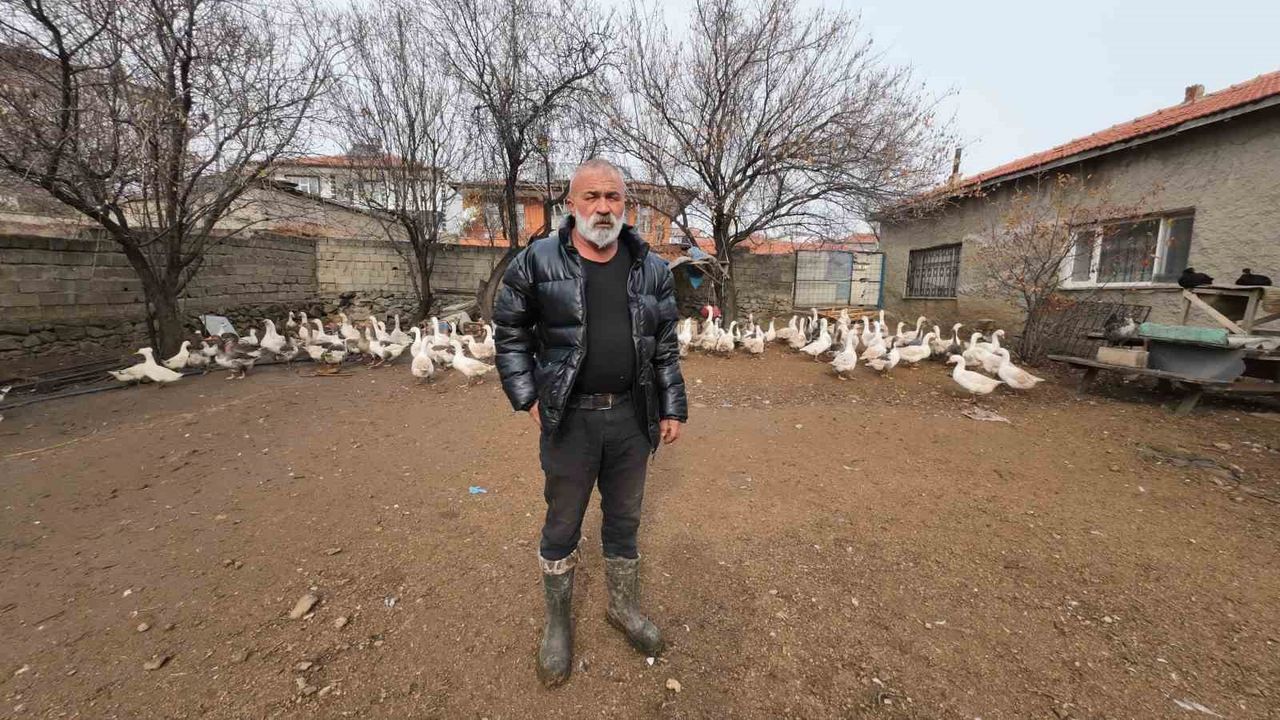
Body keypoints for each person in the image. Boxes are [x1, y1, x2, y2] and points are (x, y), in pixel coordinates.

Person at [493, 158, 688, 687]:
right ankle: (558, 625)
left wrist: (672, 405)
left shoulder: (650, 268)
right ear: (571, 204)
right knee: (563, 523)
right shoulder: (536, 261)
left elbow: (665, 346)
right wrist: (527, 396)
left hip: (632, 416)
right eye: (592, 196)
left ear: (626, 205)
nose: (603, 207)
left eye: (613, 197)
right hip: (570, 420)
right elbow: (509, 333)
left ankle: (622, 609)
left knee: (624, 520)